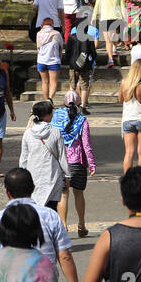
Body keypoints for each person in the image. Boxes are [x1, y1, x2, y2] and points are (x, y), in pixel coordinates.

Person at [52, 90, 96, 236]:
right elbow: (87, 145)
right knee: (79, 194)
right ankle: (81, 224)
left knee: (63, 195)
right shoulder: (82, 120)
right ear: (78, 103)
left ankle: (63, 226)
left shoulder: (56, 117)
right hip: (78, 163)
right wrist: (92, 164)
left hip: (60, 163)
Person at [19, 99, 70, 210]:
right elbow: (62, 156)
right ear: (46, 115)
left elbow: (23, 159)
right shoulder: (55, 132)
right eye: (51, 112)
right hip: (52, 176)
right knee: (51, 209)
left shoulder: (28, 133)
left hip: (33, 177)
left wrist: (22, 177)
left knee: (34, 209)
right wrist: (67, 175)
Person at [118, 47, 141, 172]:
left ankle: (127, 181)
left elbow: (120, 100)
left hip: (128, 119)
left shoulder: (124, 83)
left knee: (129, 152)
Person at [92, 0, 126, 67]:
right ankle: (114, 49)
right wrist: (125, 19)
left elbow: (97, 5)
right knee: (113, 36)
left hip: (105, 17)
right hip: (117, 17)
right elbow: (123, 7)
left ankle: (110, 59)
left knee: (108, 40)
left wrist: (94, 17)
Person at [66, 21, 98, 111]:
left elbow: (68, 51)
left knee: (72, 85)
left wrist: (69, 61)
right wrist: (91, 62)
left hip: (73, 64)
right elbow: (93, 52)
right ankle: (83, 106)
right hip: (85, 65)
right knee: (84, 85)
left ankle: (71, 104)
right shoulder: (89, 38)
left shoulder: (71, 37)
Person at [35, 16, 64, 100]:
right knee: (53, 82)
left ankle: (45, 100)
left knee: (44, 82)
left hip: (41, 60)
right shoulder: (56, 34)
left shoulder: (39, 34)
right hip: (53, 60)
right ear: (52, 24)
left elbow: (38, 48)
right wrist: (60, 58)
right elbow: (61, 47)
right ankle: (50, 99)